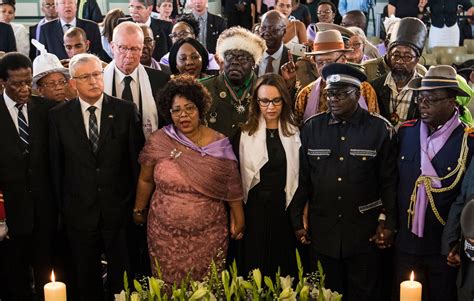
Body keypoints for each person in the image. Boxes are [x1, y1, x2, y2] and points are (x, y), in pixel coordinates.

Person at [290, 63, 398, 300]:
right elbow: (304, 179)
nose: (333, 99)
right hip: (322, 231)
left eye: (341, 93)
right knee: (325, 294)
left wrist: (389, 223)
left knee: (364, 294)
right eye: (329, 93)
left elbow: (389, 182)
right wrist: (297, 219)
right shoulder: (312, 128)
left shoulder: (380, 129)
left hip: (363, 231)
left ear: (358, 94)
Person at [49, 53, 145, 301]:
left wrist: (136, 206)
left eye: (96, 74)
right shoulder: (58, 116)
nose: (93, 81)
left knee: (123, 280)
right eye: (85, 77)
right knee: (85, 280)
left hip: (118, 209)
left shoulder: (124, 110)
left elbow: (137, 163)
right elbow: (57, 168)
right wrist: (63, 210)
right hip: (79, 212)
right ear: (73, 83)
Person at [132, 75, 245, 285]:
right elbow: (146, 180)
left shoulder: (219, 143)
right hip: (164, 236)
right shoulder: (159, 140)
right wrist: (139, 210)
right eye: (176, 110)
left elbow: (232, 186)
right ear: (169, 112)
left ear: (200, 109)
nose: (183, 115)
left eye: (189, 108)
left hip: (209, 236)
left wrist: (238, 218)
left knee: (207, 290)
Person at [395, 65, 474, 301]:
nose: (423, 104)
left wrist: (456, 242)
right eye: (421, 98)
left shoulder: (468, 141)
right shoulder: (405, 133)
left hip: (442, 245)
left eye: (432, 99)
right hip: (406, 241)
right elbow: (391, 182)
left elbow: (467, 197)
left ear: (452, 101)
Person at [0, 52, 56, 301]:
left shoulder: (47, 110)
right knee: (15, 282)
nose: (24, 89)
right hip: (10, 217)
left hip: (46, 213)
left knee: (50, 280)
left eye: (28, 82)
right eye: (16, 83)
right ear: (2, 82)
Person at [236, 74, 300, 277]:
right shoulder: (243, 134)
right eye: (264, 101)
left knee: (283, 269)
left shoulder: (296, 132)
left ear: (284, 100)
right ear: (256, 102)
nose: (270, 107)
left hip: (285, 209)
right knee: (255, 266)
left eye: (276, 100)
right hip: (254, 210)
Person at [293, 30, 379, 124]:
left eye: (329, 62)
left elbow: (375, 126)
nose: (324, 68)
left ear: (343, 60)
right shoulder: (305, 94)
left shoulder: (364, 90)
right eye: (320, 63)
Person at [103, 21, 170, 139]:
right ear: (112, 47)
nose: (129, 55)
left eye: (135, 49)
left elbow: (166, 125)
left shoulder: (160, 80)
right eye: (123, 48)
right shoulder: (99, 80)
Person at [200, 26, 266, 140]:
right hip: (215, 154)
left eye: (243, 58)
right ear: (222, 59)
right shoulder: (203, 88)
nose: (235, 62)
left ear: (253, 63)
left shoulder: (264, 89)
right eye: (229, 56)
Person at [370, 17, 428, 127]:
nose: (400, 61)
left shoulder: (424, 89)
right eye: (395, 55)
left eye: (407, 57)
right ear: (388, 55)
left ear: (417, 59)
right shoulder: (375, 86)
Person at [38, 0, 102, 60]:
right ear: (56, 7)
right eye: (63, 3)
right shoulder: (45, 29)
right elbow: (41, 58)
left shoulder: (92, 27)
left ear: (76, 6)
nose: (67, 6)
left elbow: (98, 55)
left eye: (70, 2)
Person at [255, 11, 292, 77]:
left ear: (284, 31)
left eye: (272, 29)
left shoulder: (294, 60)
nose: (266, 33)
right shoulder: (250, 57)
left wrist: (290, 84)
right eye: (263, 28)